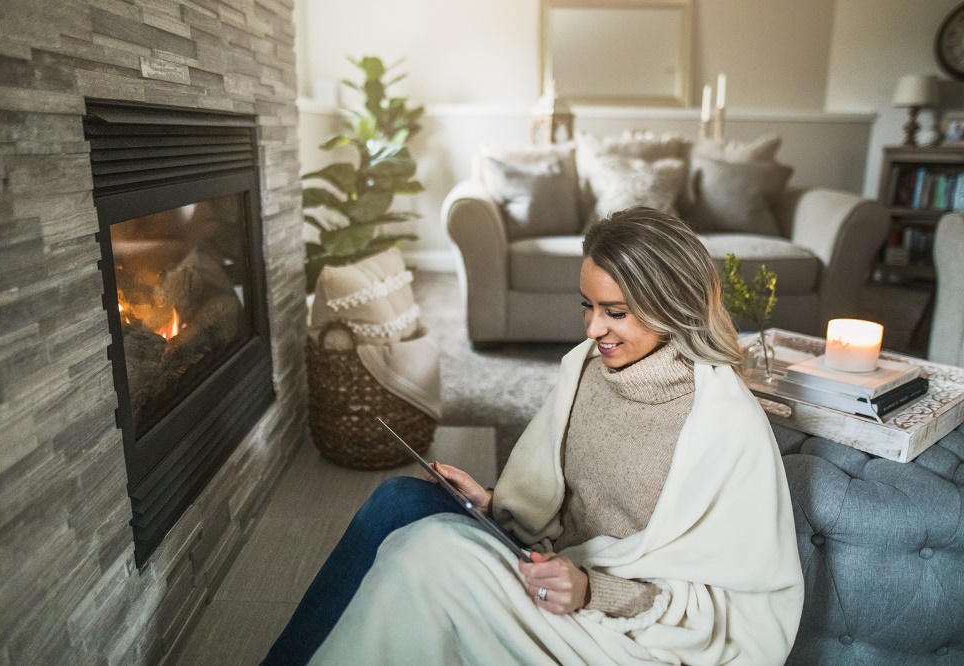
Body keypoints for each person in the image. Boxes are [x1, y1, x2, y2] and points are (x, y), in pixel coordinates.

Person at [264, 207, 804, 665]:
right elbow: (565, 502)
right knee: (397, 500)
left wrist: (593, 589)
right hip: (550, 564)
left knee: (427, 553)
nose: (593, 330)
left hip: (622, 625)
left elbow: (722, 609)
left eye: (615, 312)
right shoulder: (589, 369)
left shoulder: (723, 425)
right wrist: (494, 503)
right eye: (587, 306)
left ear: (673, 305)